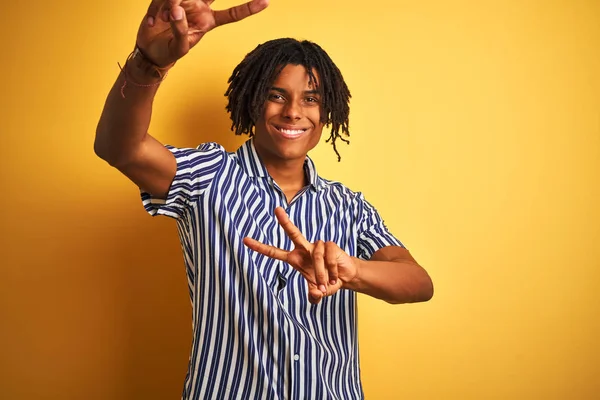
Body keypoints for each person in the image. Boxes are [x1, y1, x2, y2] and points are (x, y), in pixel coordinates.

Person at [95, 0, 434, 398]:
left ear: (327, 112)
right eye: (277, 95)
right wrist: (147, 64)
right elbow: (122, 149)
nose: (293, 112)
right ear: (252, 101)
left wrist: (352, 270)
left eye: (310, 99)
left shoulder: (349, 206)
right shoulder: (209, 176)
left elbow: (418, 282)